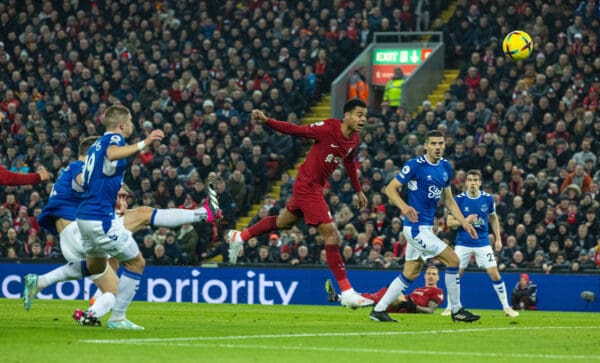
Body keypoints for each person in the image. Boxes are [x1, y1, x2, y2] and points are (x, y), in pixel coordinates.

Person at [24, 137, 220, 325]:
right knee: (143, 214)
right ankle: (204, 214)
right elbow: (83, 181)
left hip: (72, 242)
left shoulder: (66, 174)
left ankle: (73, 302)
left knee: (114, 286)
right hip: (79, 232)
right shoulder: (80, 167)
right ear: (93, 151)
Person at [227, 99, 373, 308]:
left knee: (284, 222)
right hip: (307, 186)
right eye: (359, 114)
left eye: (365, 116)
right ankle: (347, 292)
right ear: (347, 115)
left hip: (315, 187)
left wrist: (359, 191)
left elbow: (349, 162)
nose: (362, 119)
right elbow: (295, 130)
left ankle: (240, 236)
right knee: (332, 235)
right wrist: (267, 121)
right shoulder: (327, 128)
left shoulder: (354, 139)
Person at [370, 130, 480, 322]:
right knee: (453, 260)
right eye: (434, 144)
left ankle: (378, 310)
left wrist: (463, 222)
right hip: (415, 228)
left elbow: (449, 200)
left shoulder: (445, 166)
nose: (437, 147)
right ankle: (457, 310)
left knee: (411, 272)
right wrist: (404, 207)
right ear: (426, 146)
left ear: (444, 145)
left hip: (427, 228)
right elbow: (390, 188)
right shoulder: (415, 165)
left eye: (440, 143)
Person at [75, 105, 164, 330]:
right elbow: (113, 153)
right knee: (136, 263)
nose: (132, 124)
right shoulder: (114, 138)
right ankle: (117, 317)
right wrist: (145, 143)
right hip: (99, 217)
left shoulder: (94, 145)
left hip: (84, 216)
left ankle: (94, 306)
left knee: (106, 265)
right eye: (131, 121)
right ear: (122, 125)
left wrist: (114, 189)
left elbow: (85, 181)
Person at [441, 170, 519, 318]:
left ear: (480, 182)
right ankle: (450, 307)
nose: (472, 183)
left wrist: (498, 238)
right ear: (465, 182)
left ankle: (506, 307)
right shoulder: (459, 199)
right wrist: (465, 221)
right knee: (456, 274)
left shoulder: (488, 199)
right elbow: (450, 222)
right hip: (463, 242)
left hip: (482, 242)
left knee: (494, 274)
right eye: (469, 180)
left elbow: (493, 218)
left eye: (475, 180)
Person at [325, 265, 444, 314]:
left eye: (434, 274)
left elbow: (431, 310)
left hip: (407, 306)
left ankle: (345, 298)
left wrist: (413, 307)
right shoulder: (419, 288)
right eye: (428, 273)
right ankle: (343, 298)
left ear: (438, 277)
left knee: (384, 294)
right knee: (381, 294)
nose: (430, 276)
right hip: (404, 302)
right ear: (424, 275)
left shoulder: (438, 292)